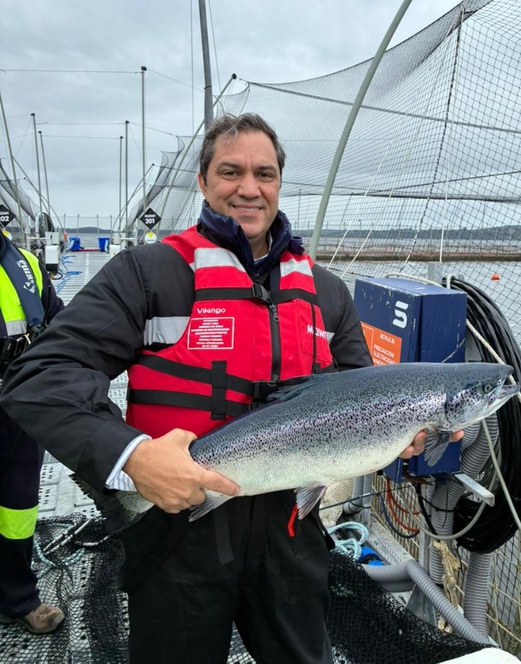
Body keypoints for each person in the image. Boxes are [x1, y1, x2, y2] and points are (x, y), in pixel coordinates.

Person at [0, 114, 461, 662]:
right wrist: (132, 457)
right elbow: (40, 376)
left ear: (279, 184)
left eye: (265, 174)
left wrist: (402, 436)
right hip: (175, 535)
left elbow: (366, 396)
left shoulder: (328, 293)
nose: (249, 188)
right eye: (230, 171)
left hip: (292, 536)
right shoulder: (147, 273)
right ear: (203, 180)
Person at [0, 229, 65, 634]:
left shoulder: (25, 264)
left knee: (18, 507)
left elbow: (60, 324)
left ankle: (18, 598)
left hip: (19, 405)